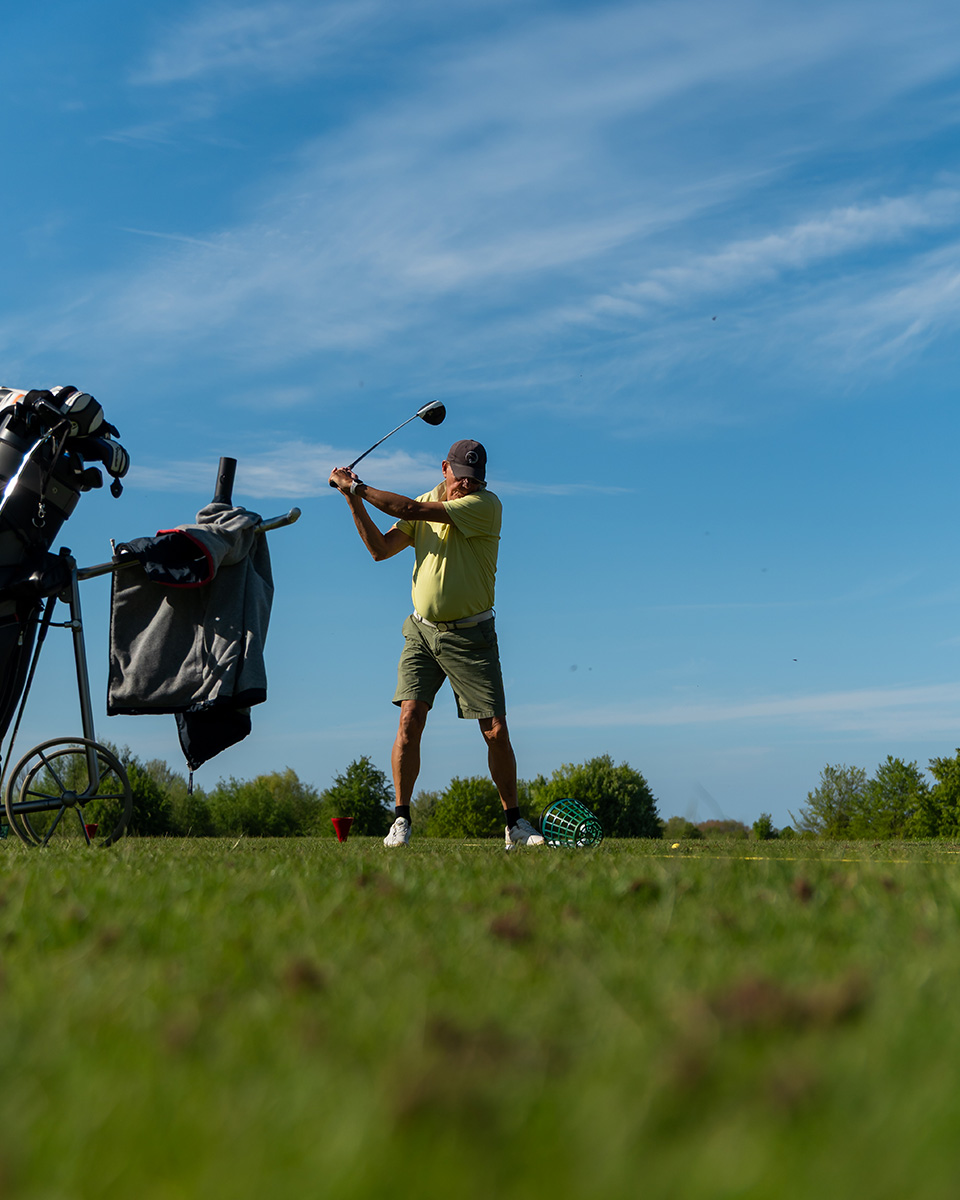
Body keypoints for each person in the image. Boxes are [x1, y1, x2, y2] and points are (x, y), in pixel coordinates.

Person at [329, 439, 544, 849]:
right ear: (445, 468)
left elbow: (408, 510)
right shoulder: (426, 497)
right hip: (421, 632)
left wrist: (357, 487)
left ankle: (514, 825)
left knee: (495, 732)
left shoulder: (485, 505)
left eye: (474, 480)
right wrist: (351, 499)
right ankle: (401, 820)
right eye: (461, 478)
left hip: (471, 636)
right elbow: (380, 550)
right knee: (409, 719)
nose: (467, 486)